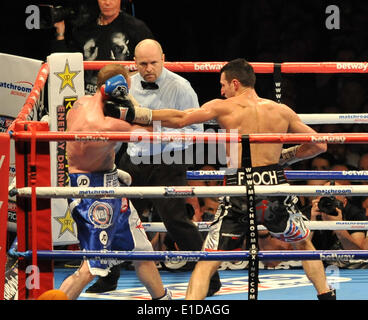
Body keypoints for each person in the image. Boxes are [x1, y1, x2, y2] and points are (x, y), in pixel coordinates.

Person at [134, 58, 334, 300]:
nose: (221, 90)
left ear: (235, 83)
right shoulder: (281, 111)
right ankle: (326, 295)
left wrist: (138, 114)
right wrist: (284, 157)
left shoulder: (224, 107)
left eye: (223, 85)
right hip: (274, 185)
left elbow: (180, 119)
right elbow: (319, 145)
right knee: (303, 245)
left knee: (209, 260)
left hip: (240, 185)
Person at [87, 39, 222, 296]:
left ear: (163, 58)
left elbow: (196, 129)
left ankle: (210, 278)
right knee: (115, 219)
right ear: (134, 63)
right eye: (143, 64)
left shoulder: (181, 87)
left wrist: (159, 134)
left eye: (153, 63)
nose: (148, 69)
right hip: (134, 160)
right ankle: (108, 278)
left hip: (167, 161)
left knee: (176, 221)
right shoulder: (127, 85)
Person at [59, 63, 170, 300]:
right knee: (91, 268)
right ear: (116, 90)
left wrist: (113, 171)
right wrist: (134, 110)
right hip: (94, 195)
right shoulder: (109, 124)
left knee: (142, 251)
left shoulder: (79, 104)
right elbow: (151, 134)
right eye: (126, 90)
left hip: (107, 184)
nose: (127, 96)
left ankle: (162, 301)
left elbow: (91, 155)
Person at [53, 0, 154, 94]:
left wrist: (125, 79)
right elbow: (68, 65)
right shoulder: (83, 27)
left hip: (123, 96)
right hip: (88, 96)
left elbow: (154, 65)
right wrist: (60, 34)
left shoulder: (136, 28)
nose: (107, 3)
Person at [305, 181, 367, 269]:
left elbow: (359, 254)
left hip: (348, 268)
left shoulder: (354, 214)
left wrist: (339, 227)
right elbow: (300, 250)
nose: (328, 205)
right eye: (324, 200)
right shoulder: (310, 213)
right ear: (317, 200)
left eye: (333, 201)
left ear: (344, 202)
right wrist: (312, 224)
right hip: (315, 266)